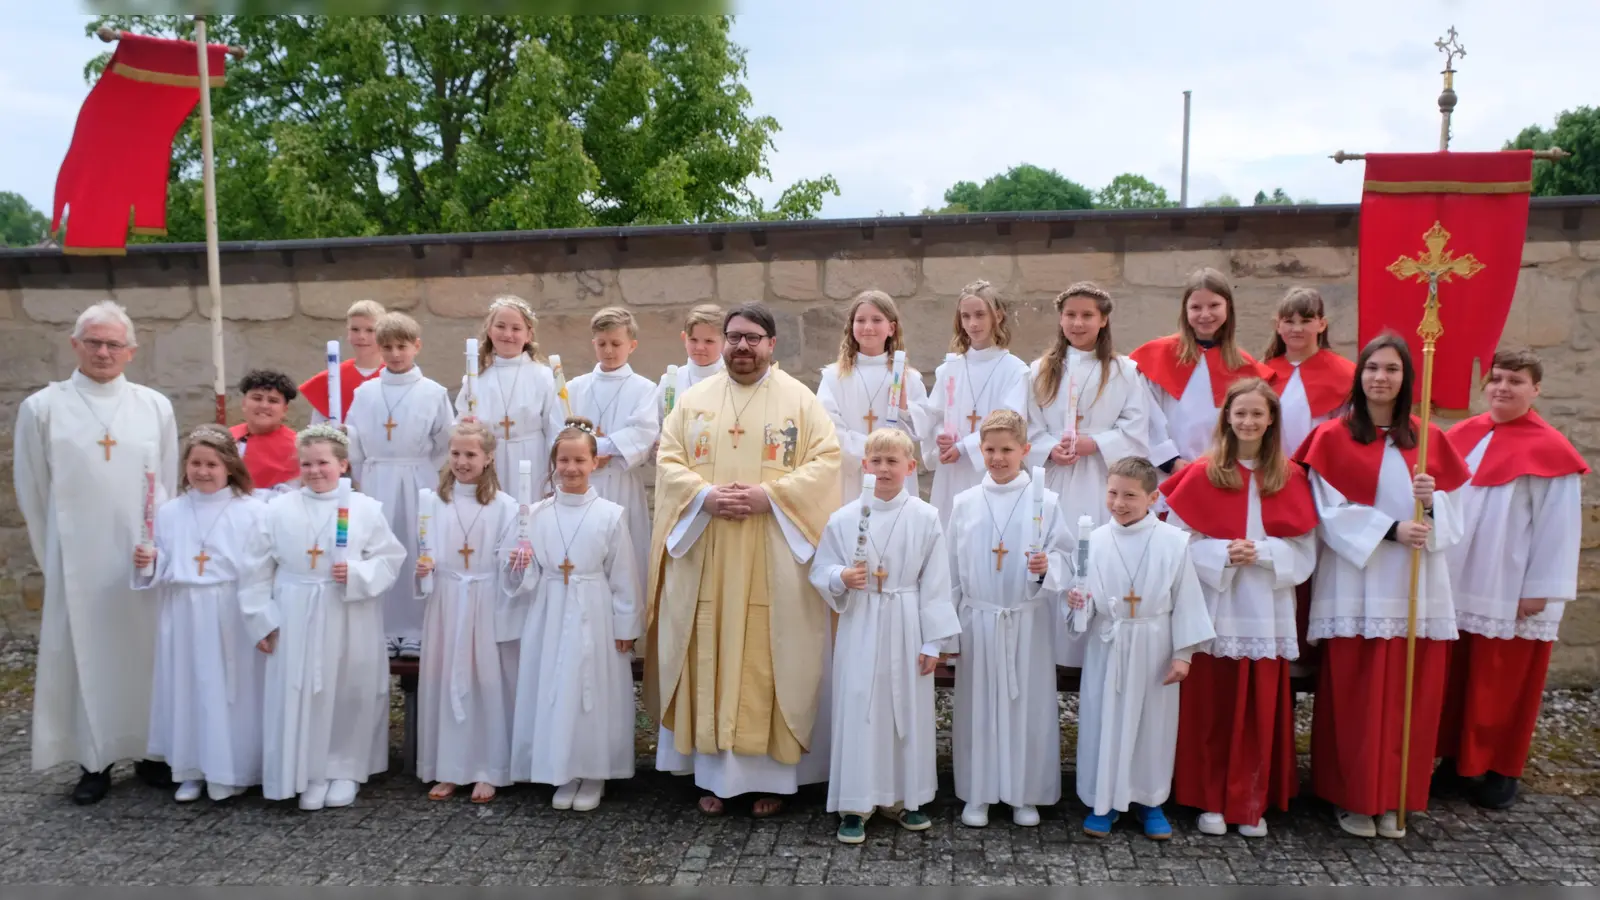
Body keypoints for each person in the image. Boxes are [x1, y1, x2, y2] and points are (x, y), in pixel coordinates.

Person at [645, 302, 842, 819]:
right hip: (708, 547)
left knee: (771, 652)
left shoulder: (800, 400)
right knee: (710, 646)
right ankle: (712, 775)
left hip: (774, 551)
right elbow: (668, 460)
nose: (741, 346)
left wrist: (770, 497)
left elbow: (826, 461)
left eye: (753, 337)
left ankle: (774, 779)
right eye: (733, 337)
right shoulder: (693, 401)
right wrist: (705, 497)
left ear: (771, 345)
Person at [1293, 332, 1471, 839]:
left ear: (1406, 378)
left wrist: (1433, 502)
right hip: (1359, 583)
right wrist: (1392, 528)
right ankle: (1352, 797)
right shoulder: (1332, 437)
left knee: (1410, 695)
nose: (1380, 377)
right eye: (1372, 367)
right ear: (1359, 375)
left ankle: (1397, 796)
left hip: (1418, 585)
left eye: (1391, 369)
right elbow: (1326, 512)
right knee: (1357, 696)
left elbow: (1456, 522)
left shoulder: (1430, 440)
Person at [13, 299, 179, 804]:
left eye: (113, 344)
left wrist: (159, 547)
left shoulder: (154, 405)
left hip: (139, 559)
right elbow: (33, 489)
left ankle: (151, 751)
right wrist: (56, 557)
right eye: (94, 342)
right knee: (87, 654)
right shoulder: (43, 408)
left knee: (146, 652)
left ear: (131, 351)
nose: (103, 352)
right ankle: (94, 759)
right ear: (75, 345)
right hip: (77, 559)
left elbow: (168, 483)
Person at [1162, 379, 1318, 838]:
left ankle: (1249, 801)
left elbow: (1306, 551)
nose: (1248, 421)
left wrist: (1265, 554)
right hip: (1215, 604)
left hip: (1266, 609)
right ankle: (1210, 798)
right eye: (1240, 413)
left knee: (1257, 708)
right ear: (1227, 419)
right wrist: (1219, 554)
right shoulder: (1202, 473)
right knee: (1210, 706)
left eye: (1257, 414)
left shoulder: (1290, 477)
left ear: (1271, 421)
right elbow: (1174, 545)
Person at [1436, 348, 1590, 810]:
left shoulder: (1551, 450)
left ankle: (1503, 767)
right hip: (1459, 579)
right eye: (1496, 379)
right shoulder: (1462, 435)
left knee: (1505, 682)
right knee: (1457, 676)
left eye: (1516, 381)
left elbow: (1559, 528)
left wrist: (1539, 589)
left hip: (1511, 587)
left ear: (1535, 390)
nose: (1503, 387)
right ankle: (1454, 762)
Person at [239, 425, 407, 810]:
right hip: (295, 610)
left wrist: (359, 573)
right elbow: (255, 569)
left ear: (343, 464)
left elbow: (389, 557)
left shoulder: (365, 509)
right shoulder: (277, 509)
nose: (315, 471)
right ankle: (308, 770)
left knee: (349, 688)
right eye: (306, 464)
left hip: (348, 611)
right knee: (302, 690)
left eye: (323, 463)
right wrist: (261, 620)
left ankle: (345, 768)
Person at [809, 428, 959, 844]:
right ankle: (855, 804)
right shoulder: (843, 519)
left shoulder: (926, 518)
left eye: (893, 461)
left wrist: (934, 642)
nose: (884, 468)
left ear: (911, 467)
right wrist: (841, 576)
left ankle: (903, 798)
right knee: (861, 706)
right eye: (876, 461)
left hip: (908, 620)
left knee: (904, 709)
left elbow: (937, 582)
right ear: (864, 466)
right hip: (861, 622)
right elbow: (820, 570)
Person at [1069, 456, 1214, 840]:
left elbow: (1186, 599)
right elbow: (1080, 607)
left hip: (1154, 643)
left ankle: (1150, 801)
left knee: (1153, 724)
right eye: (1113, 492)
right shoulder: (1093, 540)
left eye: (1130, 495)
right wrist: (1077, 604)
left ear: (1152, 497)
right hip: (1109, 642)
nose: (1118, 503)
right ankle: (1103, 801)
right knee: (1105, 719)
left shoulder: (1173, 542)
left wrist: (1184, 654)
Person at [507, 418, 640, 812]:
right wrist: (520, 564)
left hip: (595, 612)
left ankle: (594, 769)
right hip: (550, 611)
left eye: (580, 460)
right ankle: (561, 768)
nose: (571, 468)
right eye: (563, 460)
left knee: (592, 690)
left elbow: (624, 576)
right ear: (553, 463)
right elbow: (527, 579)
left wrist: (626, 626)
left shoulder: (611, 515)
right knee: (554, 686)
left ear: (595, 462)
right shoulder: (537, 514)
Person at [946, 410, 1071, 828]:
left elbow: (1067, 560)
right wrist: (947, 635)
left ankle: (1024, 792)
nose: (998, 458)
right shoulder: (964, 504)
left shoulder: (1047, 503)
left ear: (1025, 450)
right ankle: (979, 791)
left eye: (1007, 450)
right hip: (978, 620)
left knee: (1026, 705)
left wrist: (1044, 567)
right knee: (978, 708)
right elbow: (949, 572)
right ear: (980, 450)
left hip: (1026, 619)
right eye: (990, 450)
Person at [132, 425, 268, 803]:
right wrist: (149, 560)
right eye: (195, 463)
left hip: (231, 610)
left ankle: (236, 769)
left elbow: (263, 568)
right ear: (185, 466)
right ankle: (191, 769)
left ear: (229, 467)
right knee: (189, 689)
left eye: (212, 464)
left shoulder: (253, 511)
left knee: (231, 692)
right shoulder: (171, 512)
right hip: (184, 612)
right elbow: (160, 563)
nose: (203, 471)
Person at [1026, 281, 1151, 667]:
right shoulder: (1039, 370)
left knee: (1095, 562)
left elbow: (1137, 428)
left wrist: (1093, 443)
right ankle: (1054, 653)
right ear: (1060, 319)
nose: (1078, 323)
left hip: (1102, 483)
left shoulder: (1124, 371)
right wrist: (1051, 448)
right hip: (1057, 483)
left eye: (1087, 316)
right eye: (1070, 315)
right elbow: (1028, 428)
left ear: (1103, 320)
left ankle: (1094, 653)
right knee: (1056, 558)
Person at [414, 421, 523, 804]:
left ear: (489, 457)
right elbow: (425, 548)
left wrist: (516, 561)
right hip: (447, 600)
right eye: (456, 453)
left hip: (485, 599)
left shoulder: (505, 505)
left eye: (471, 454)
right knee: (447, 679)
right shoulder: (432, 501)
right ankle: (449, 768)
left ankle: (487, 768)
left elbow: (512, 564)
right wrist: (424, 570)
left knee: (486, 682)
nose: (462, 461)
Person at [347, 312, 454, 659]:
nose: (395, 354)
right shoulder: (365, 392)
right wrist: (362, 476)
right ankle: (383, 627)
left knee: (414, 548)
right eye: (388, 347)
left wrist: (422, 468)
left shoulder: (433, 392)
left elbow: (444, 440)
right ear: (379, 349)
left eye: (402, 346)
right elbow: (355, 441)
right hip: (377, 477)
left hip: (417, 478)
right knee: (380, 548)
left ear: (417, 346)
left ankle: (415, 628)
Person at [1130, 267, 1271, 474]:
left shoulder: (1245, 366)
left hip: (1222, 470)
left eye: (1214, 305)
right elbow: (1147, 413)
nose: (1205, 314)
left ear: (1228, 308)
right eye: (1196, 307)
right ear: (1185, 311)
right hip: (1166, 471)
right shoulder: (1158, 355)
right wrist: (1170, 460)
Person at [915, 280, 1030, 524]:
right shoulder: (950, 369)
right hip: (952, 472)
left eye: (980, 315)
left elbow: (1010, 423)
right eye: (966, 316)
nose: (973, 324)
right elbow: (934, 415)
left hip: (990, 467)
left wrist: (964, 447)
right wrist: (941, 438)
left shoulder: (1015, 371)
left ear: (997, 315)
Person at [567, 307, 660, 600]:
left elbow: (643, 433)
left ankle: (625, 635)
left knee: (625, 562)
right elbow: (560, 430)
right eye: (602, 343)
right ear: (593, 343)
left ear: (632, 345)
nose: (609, 350)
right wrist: (594, 453)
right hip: (583, 485)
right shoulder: (574, 387)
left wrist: (594, 448)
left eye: (616, 344)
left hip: (622, 484)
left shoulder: (645, 389)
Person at [817, 290, 928, 504]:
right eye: (860, 320)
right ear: (851, 327)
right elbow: (828, 429)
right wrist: (874, 455)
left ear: (891, 328)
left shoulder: (908, 378)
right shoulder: (833, 377)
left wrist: (904, 407)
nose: (868, 327)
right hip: (852, 475)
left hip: (895, 475)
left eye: (877, 320)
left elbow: (919, 431)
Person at [457, 295, 566, 496]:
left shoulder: (543, 376)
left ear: (528, 335)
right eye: (500, 326)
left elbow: (556, 428)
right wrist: (465, 426)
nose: (508, 334)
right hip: (491, 462)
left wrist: (555, 477)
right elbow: (462, 425)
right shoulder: (475, 379)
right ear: (489, 331)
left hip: (533, 459)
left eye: (516, 328)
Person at [1259, 287, 1356, 455]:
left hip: (1321, 468)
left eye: (1305, 321)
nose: (1297, 329)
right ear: (1278, 326)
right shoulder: (1262, 373)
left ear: (1322, 324)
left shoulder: (1345, 373)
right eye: (1289, 321)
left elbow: (1348, 431)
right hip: (1271, 469)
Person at [300, 299, 385, 425]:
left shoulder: (395, 376)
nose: (361, 336)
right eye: (355, 329)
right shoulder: (332, 377)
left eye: (370, 330)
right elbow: (317, 428)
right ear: (348, 332)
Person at [231, 369, 302, 495]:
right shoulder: (227, 439)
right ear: (244, 403)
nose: (264, 405)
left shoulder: (298, 446)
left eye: (273, 401)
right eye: (257, 398)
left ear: (285, 409)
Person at [653, 303, 726, 425]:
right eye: (693, 340)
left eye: (709, 341)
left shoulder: (732, 379)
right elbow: (656, 423)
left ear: (725, 342)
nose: (700, 347)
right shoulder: (670, 381)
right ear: (684, 338)